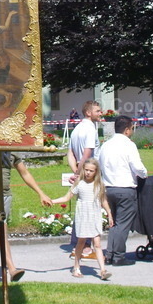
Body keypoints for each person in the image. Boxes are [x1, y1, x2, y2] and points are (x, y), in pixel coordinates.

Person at [0, 151, 53, 282]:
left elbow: (25, 173)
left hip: (5, 196)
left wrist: (41, 193)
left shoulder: (12, 151)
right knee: (0, 230)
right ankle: (11, 269)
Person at [99, 116, 148, 266]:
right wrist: (144, 174)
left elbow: (100, 164)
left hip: (108, 188)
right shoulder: (128, 145)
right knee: (122, 224)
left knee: (113, 222)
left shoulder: (105, 145)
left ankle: (109, 254)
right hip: (125, 188)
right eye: (131, 128)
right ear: (127, 130)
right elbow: (137, 167)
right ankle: (119, 256)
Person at [53, 158, 113, 279]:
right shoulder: (79, 184)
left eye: (91, 171)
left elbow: (103, 200)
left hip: (94, 215)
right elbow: (66, 198)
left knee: (97, 243)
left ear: (96, 172)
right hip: (83, 216)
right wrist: (52, 201)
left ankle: (102, 270)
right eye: (86, 170)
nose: (88, 173)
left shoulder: (99, 184)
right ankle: (76, 267)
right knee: (81, 242)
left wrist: (109, 214)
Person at [67, 100, 103, 259]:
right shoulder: (89, 129)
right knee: (90, 208)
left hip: (81, 171)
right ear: (88, 112)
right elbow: (87, 153)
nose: (101, 113)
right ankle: (86, 246)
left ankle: (78, 243)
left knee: (82, 207)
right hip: (89, 173)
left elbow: (70, 153)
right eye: (98, 111)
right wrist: (81, 172)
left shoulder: (76, 129)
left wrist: (75, 171)